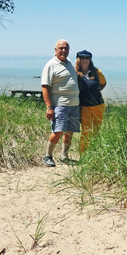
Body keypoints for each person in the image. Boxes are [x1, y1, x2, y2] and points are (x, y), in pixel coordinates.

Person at [41, 39, 80, 167]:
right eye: (61, 48)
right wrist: (49, 107)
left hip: (74, 104)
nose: (63, 50)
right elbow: (45, 87)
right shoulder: (50, 65)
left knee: (69, 131)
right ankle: (47, 156)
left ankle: (64, 156)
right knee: (58, 131)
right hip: (60, 104)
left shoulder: (69, 63)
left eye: (66, 48)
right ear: (55, 50)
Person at [75, 50, 106, 152]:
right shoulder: (75, 73)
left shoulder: (97, 72)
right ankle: (83, 155)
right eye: (82, 58)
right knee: (86, 131)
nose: (85, 60)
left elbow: (103, 83)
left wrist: (95, 91)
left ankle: (95, 153)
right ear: (78, 59)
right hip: (85, 106)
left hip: (99, 105)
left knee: (97, 131)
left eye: (87, 58)